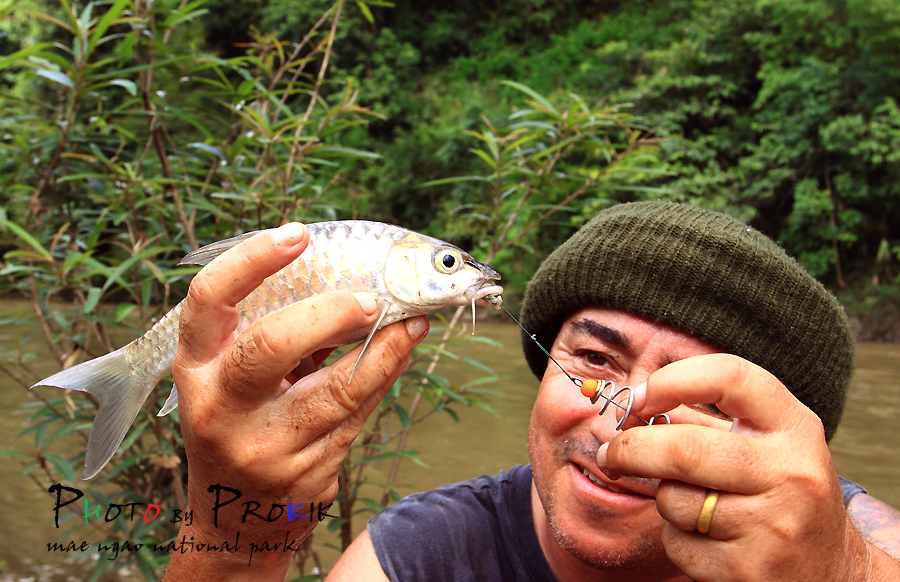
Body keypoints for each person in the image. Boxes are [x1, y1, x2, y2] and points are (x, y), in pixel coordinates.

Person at [161, 202, 900, 582]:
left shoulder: (859, 545)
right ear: (545, 367)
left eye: (704, 396)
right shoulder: (429, 554)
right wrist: (235, 535)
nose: (618, 429)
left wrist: (841, 572)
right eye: (595, 360)